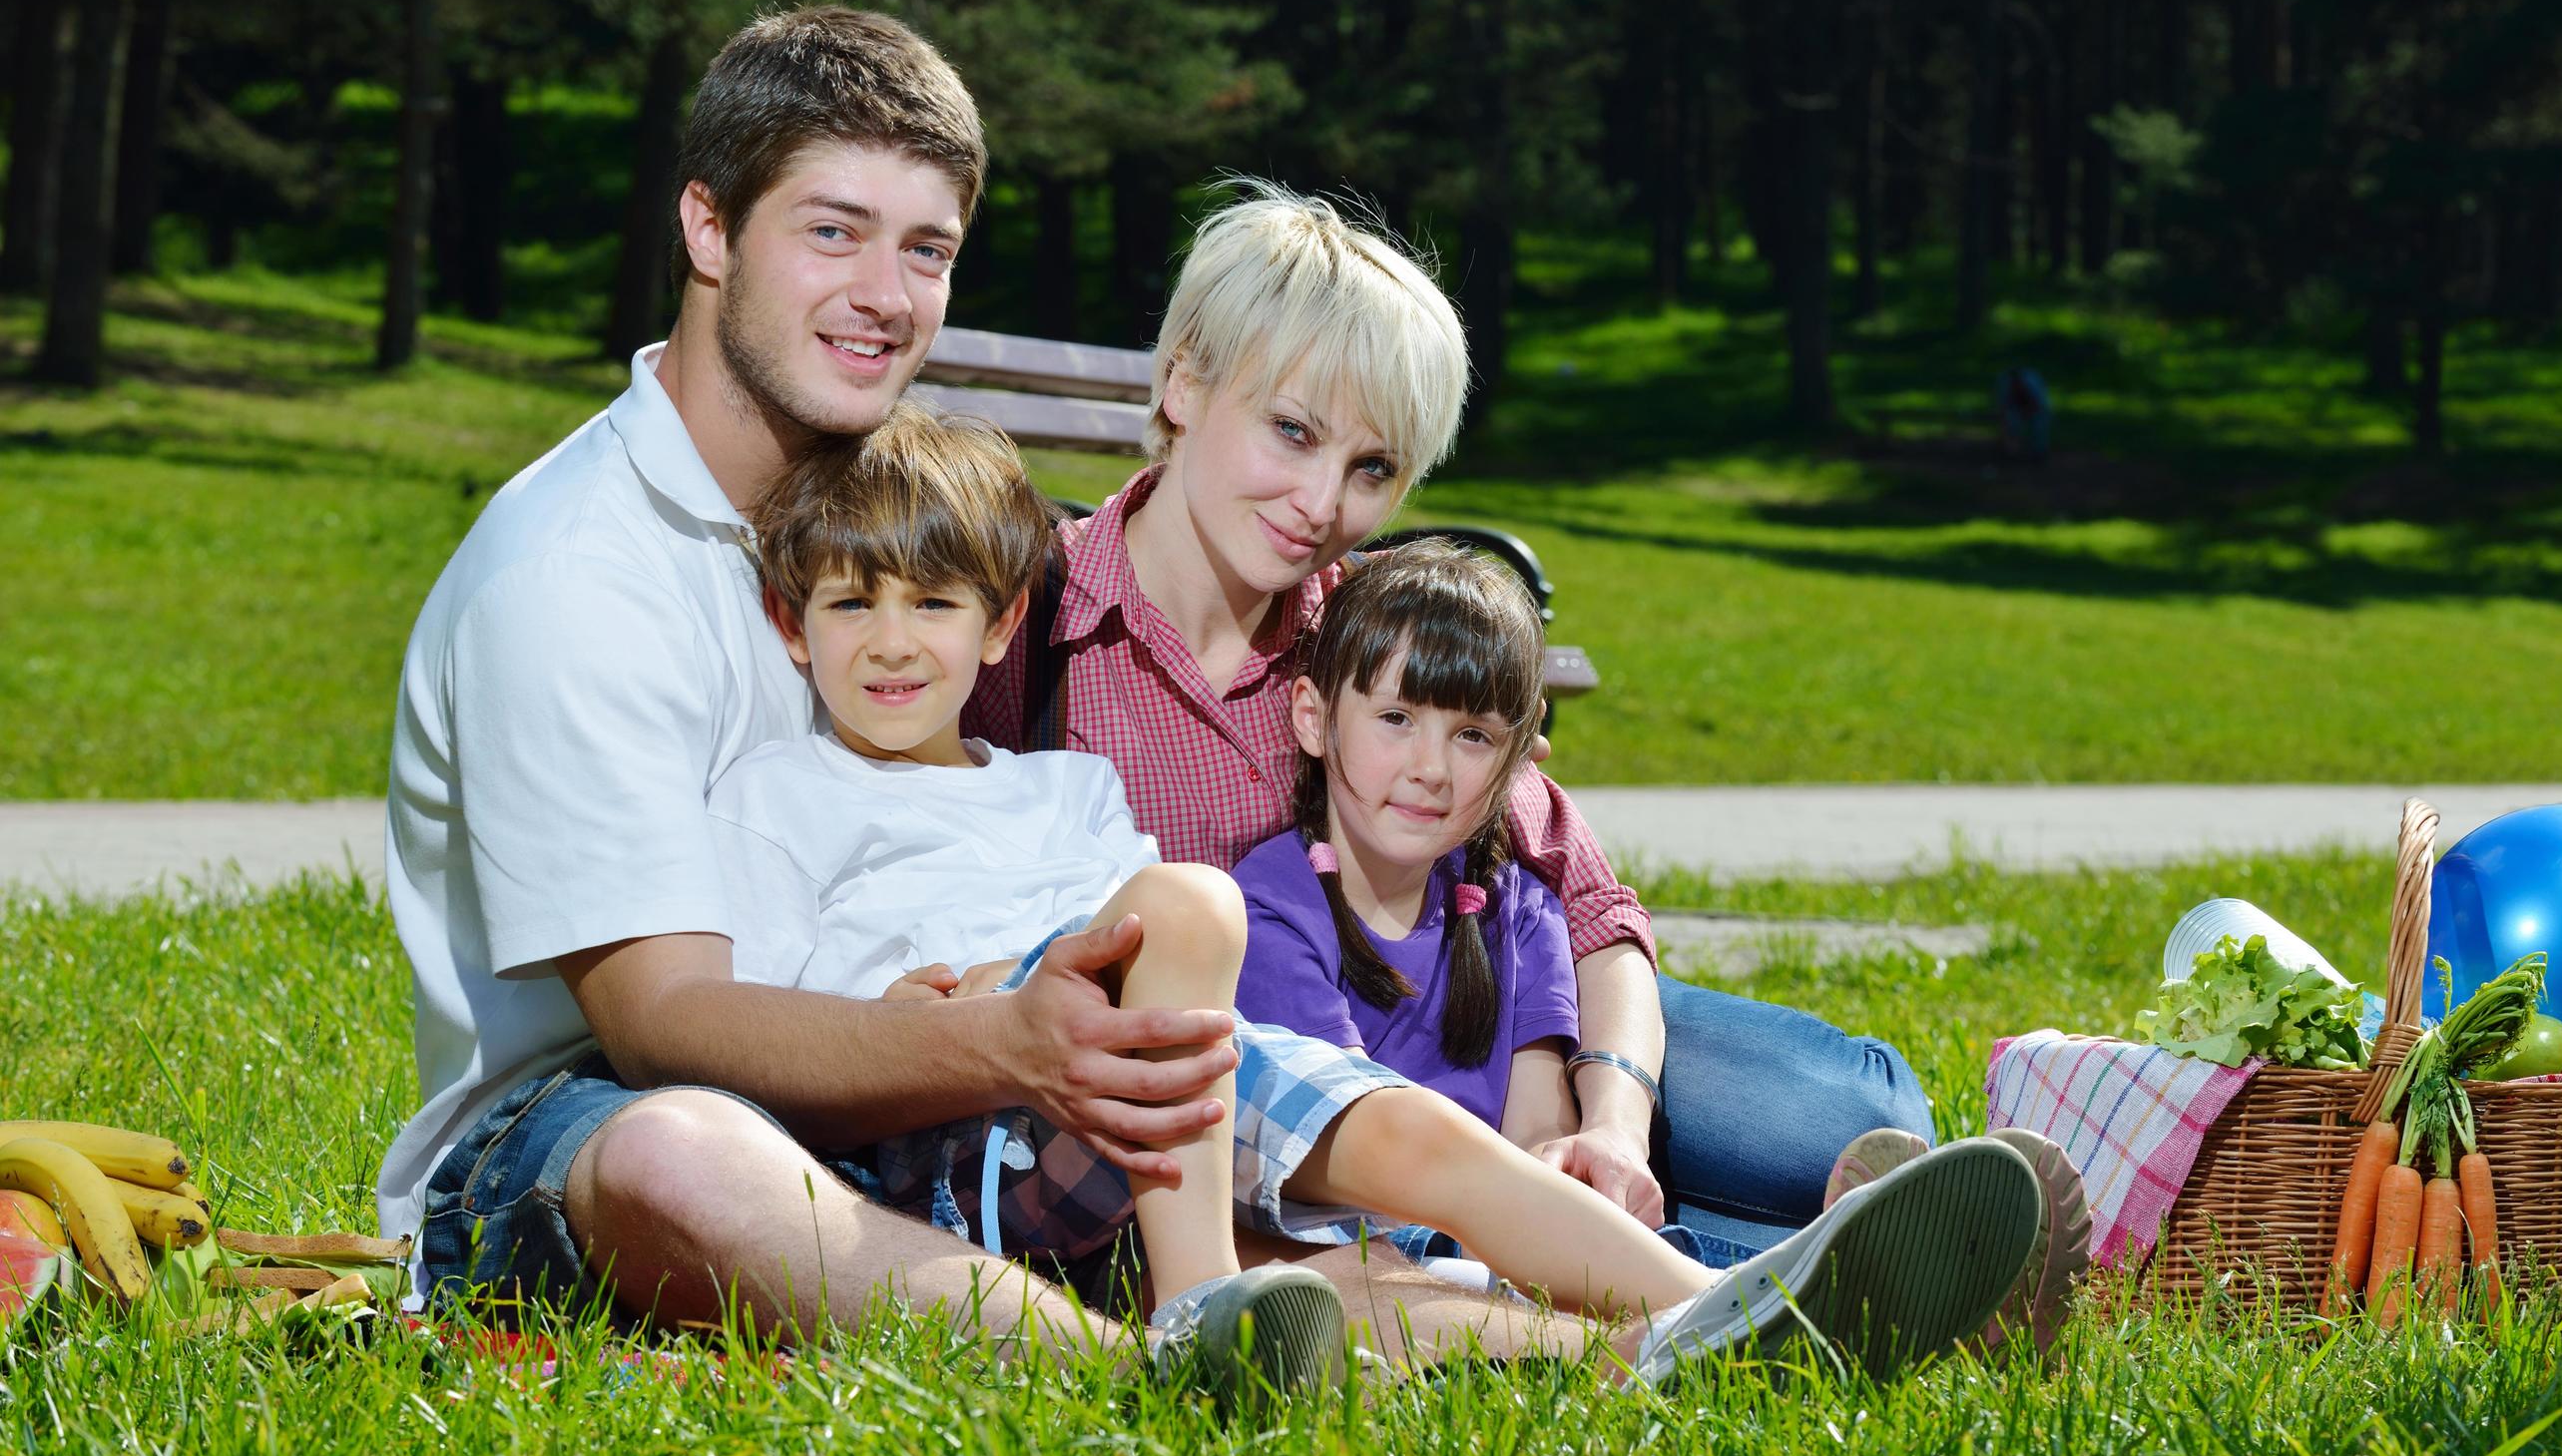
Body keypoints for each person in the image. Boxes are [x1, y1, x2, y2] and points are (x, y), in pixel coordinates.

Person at [373, 7, 1510, 1369]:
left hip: (903, 1100)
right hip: (587, 1123)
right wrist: (1001, 1045)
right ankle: (1141, 1376)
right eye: (832, 231)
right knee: (686, 1155)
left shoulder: (881, 538)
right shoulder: (574, 567)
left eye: (927, 250)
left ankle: (1664, 1325)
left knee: (1253, 1207)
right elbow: (657, 1019)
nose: (884, 292)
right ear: (707, 230)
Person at [706, 404, 2050, 1385]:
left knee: (1391, 1213)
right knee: (1191, 914)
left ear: (992, 627)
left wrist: (1608, 1115)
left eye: (933, 605)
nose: (892, 641)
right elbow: (756, 1026)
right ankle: (1195, 1315)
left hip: (1171, 1076)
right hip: (989, 1124)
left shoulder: (1058, 789)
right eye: (851, 606)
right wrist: (898, 1011)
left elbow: (1570, 891)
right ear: (792, 623)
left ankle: (1688, 1332)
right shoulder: (777, 798)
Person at [966, 184, 1936, 1261]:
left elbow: (1586, 903)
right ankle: (1825, 1265)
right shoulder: (1030, 622)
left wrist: (1612, 1125)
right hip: (1254, 1121)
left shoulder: (1369, 616)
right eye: (1291, 432)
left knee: (1846, 1116)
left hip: (1461, 1032)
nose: (1321, 502)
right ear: (1184, 381)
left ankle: (1842, 1239)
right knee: (1744, 1199)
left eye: (1371, 467)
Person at [1229, 536, 2093, 1352]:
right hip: (1377, 1241)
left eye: (1471, 736)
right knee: (1415, 1293)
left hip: (1526, 1241)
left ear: (1520, 756)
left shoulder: (1514, 905)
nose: (1429, 767)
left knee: (1640, 1254)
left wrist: (1577, 1170)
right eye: (1395, 718)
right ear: (1312, 716)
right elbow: (1348, 1158)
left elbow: (1539, 1123)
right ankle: (1835, 1302)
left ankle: (1910, 1285)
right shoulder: (1272, 912)